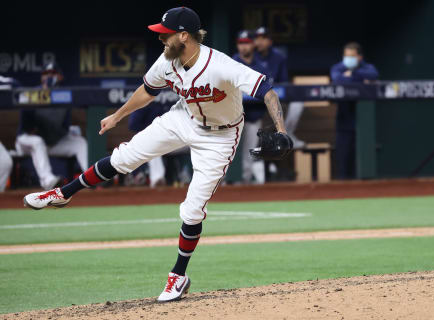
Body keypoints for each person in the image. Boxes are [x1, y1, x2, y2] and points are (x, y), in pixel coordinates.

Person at [23, 7, 291, 303]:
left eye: (166, 34)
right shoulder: (167, 60)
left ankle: (178, 276)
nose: (161, 39)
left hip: (222, 136)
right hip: (183, 119)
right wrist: (117, 115)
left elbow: (267, 89)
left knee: (191, 210)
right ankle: (63, 193)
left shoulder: (220, 64)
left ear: (184, 36)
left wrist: (281, 130)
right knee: (123, 157)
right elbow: (148, 90)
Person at [15, 62, 88, 189]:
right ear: (41, 77)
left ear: (60, 76)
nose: (49, 76)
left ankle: (91, 178)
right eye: (46, 73)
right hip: (26, 141)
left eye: (53, 73)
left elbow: (65, 126)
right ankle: (48, 181)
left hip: (52, 142)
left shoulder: (65, 96)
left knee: (80, 143)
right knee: (37, 141)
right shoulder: (32, 94)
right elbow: (27, 128)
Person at [330, 42, 379, 179]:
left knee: (363, 163)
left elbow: (373, 75)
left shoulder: (367, 67)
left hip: (363, 124)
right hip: (344, 122)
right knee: (343, 162)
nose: (348, 59)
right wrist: (361, 81)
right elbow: (338, 79)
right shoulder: (338, 67)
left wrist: (352, 74)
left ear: (359, 57)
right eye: (346, 56)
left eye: (352, 56)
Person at [254, 26, 305, 149]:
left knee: (297, 103)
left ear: (270, 41)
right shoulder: (250, 56)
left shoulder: (278, 57)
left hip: (272, 96)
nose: (260, 41)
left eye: (264, 38)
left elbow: (283, 82)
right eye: (257, 38)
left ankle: (287, 134)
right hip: (254, 100)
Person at [233, 30, 270, 184]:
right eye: (241, 43)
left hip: (253, 116)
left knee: (249, 151)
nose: (244, 47)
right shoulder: (231, 63)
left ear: (252, 44)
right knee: (230, 151)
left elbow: (268, 92)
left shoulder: (261, 66)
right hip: (232, 117)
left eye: (247, 43)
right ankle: (226, 181)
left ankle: (245, 182)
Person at [128, 105, 168, 187]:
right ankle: (156, 179)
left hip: (167, 138)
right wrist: (150, 129)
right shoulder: (143, 105)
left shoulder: (165, 102)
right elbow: (132, 125)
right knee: (153, 146)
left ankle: (156, 178)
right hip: (145, 138)